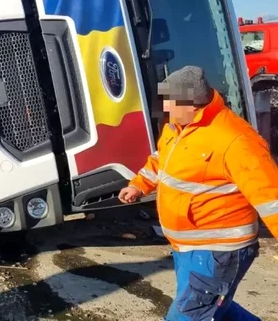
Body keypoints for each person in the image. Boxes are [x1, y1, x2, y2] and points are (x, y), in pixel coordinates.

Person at [119, 66, 278, 321]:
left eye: (170, 102)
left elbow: (271, 198)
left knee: (189, 315)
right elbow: (162, 161)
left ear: (193, 105)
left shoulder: (235, 140)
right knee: (214, 308)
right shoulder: (177, 128)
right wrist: (139, 185)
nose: (166, 109)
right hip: (186, 247)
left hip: (219, 252)